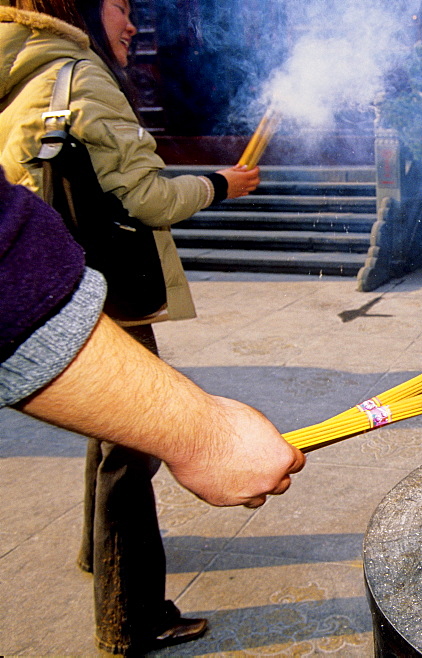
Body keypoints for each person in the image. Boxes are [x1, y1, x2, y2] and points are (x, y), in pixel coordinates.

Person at [0, 0, 261, 653]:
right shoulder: (80, 76)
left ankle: (97, 553)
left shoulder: (22, 77)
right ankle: (131, 614)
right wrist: (220, 183)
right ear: (82, 6)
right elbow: (148, 198)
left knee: (105, 431)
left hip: (57, 273)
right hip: (102, 287)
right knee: (133, 448)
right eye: (120, 4)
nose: (133, 23)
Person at [1, 169, 305, 509]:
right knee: (130, 453)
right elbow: (13, 285)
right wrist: (206, 438)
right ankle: (126, 558)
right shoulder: (100, 112)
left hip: (85, 284)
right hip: (109, 289)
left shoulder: (26, 113)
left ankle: (101, 553)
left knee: (110, 436)